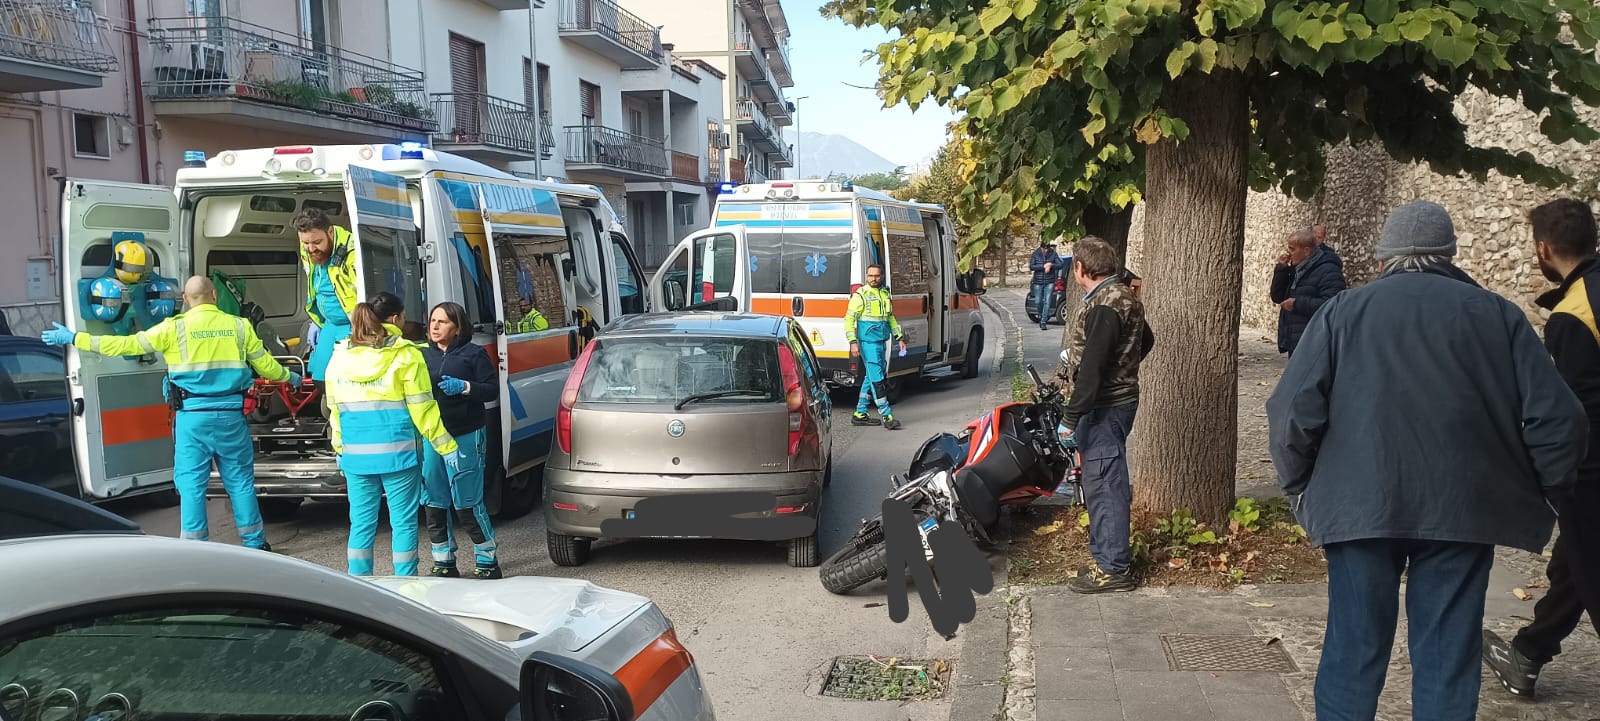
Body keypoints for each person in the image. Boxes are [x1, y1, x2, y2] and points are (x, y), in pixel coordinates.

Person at [1267, 200, 1586, 721]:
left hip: (1359, 506)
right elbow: (1560, 421)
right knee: (1447, 656)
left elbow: (1291, 412)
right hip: (1461, 508)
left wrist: (1300, 486)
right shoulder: (1497, 315)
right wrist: (1545, 488)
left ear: (1383, 257)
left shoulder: (1344, 312)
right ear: (1450, 254)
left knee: (1353, 648)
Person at [40, 276, 297, 551]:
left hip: (192, 420)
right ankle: (255, 543)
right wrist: (290, 376)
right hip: (231, 417)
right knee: (240, 481)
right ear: (214, 296)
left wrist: (74, 338)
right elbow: (267, 367)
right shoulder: (239, 325)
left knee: (192, 485)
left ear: (185, 300)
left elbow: (125, 346)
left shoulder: (173, 329)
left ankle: (196, 548)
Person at [1483, 198, 1600, 698]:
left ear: (1544, 249)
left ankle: (1530, 652)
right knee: (1573, 560)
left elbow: (1576, 413)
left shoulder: (1573, 315)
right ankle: (1529, 653)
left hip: (1594, 471)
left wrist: (1554, 474)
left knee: (1590, 565)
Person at [325, 292, 463, 577]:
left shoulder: (338, 358)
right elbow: (423, 409)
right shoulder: (406, 355)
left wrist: (340, 448)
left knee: (361, 524)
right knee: (403, 523)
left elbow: (335, 410)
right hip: (398, 456)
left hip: (357, 457)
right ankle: (405, 586)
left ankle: (359, 585)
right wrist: (447, 447)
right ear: (395, 320)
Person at [1056, 237, 1154, 594]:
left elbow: (1092, 368)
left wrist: (1070, 418)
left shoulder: (1105, 304)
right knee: (1099, 481)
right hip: (1117, 400)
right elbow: (1147, 341)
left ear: (1080, 269)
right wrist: (1124, 368)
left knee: (1105, 483)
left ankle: (1114, 568)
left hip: (1105, 407)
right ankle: (1105, 559)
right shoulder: (1124, 297)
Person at [420, 301, 503, 579]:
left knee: (466, 503)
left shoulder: (473, 354)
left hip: (466, 435)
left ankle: (487, 561)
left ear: (457, 327)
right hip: (433, 437)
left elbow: (491, 390)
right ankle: (444, 562)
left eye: (441, 322)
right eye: (432, 320)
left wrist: (465, 387)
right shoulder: (422, 356)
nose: (434, 326)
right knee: (434, 502)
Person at [294, 208, 358, 384]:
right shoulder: (308, 247)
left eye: (316, 242)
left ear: (330, 232)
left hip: (353, 323)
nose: (311, 248)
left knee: (345, 379)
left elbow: (365, 293)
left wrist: (363, 327)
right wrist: (315, 322)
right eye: (306, 243)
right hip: (328, 323)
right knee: (320, 380)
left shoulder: (353, 252)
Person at [845, 264, 908, 430]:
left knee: (870, 377)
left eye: (877, 276)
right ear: (866, 276)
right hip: (867, 343)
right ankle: (887, 415)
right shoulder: (861, 295)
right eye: (870, 275)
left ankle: (860, 413)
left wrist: (899, 337)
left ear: (881, 277)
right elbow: (849, 320)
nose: (873, 278)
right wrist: (853, 342)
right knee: (878, 379)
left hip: (881, 342)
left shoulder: (884, 294)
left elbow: (890, 318)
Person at [1270, 227, 1346, 357]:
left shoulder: (1328, 270)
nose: (1289, 252)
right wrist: (1281, 270)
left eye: (1292, 249)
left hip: (1315, 341)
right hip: (1296, 340)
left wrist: (1297, 304)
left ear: (1306, 251)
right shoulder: (1296, 268)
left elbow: (1334, 304)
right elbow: (1277, 297)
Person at [1029, 238, 1062, 331]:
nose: (1046, 250)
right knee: (1038, 301)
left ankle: (1043, 321)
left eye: (1047, 248)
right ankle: (1044, 315)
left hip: (1050, 281)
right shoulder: (1035, 254)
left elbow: (1060, 264)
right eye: (1044, 248)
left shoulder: (1053, 253)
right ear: (1041, 248)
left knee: (1047, 301)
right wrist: (1043, 267)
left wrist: (1051, 265)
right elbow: (1032, 266)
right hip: (1038, 281)